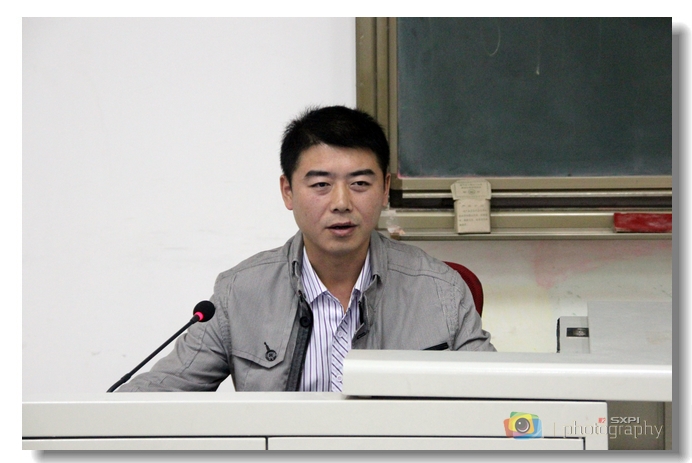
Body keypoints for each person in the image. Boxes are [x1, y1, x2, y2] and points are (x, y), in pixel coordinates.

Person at [118, 105, 495, 393]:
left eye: (360, 184)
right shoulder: (240, 294)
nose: (341, 203)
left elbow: (501, 400)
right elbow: (157, 395)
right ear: (288, 191)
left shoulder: (441, 290)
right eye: (320, 185)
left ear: (384, 189)